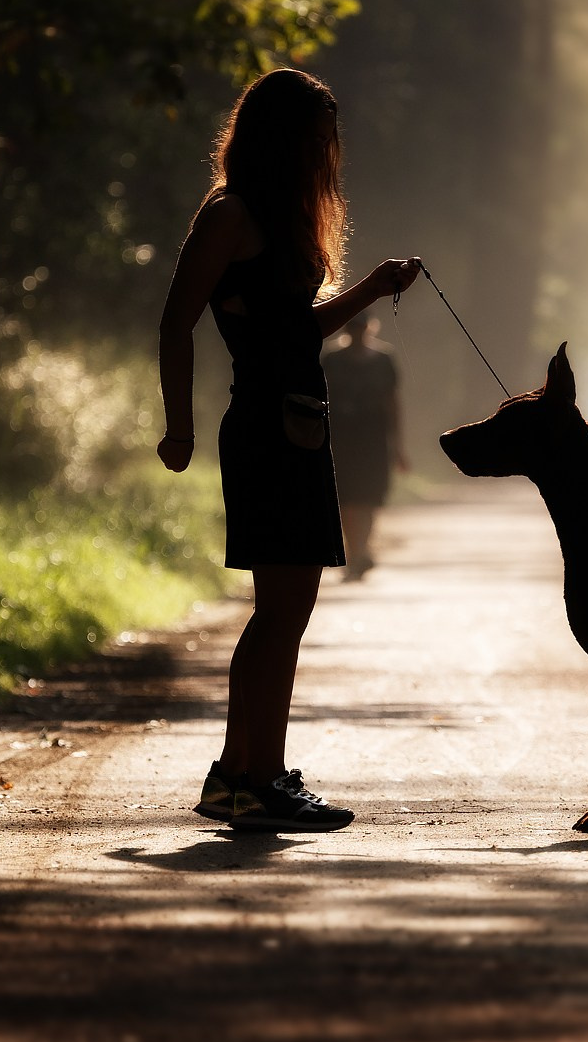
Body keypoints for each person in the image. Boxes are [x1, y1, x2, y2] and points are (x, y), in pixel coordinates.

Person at [156, 68, 420, 832]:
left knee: (286, 609)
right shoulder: (230, 216)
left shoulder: (278, 217)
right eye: (316, 139)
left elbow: (293, 330)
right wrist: (180, 428)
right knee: (279, 610)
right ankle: (256, 777)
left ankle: (240, 776)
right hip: (265, 430)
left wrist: (370, 288)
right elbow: (176, 321)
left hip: (302, 424)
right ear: (283, 138)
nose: (326, 155)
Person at [321, 316, 408, 579]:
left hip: (373, 437)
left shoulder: (383, 360)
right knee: (345, 497)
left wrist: (397, 445)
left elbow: (392, 403)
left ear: (369, 328)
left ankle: (361, 549)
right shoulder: (331, 361)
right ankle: (355, 551)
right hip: (340, 437)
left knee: (369, 495)